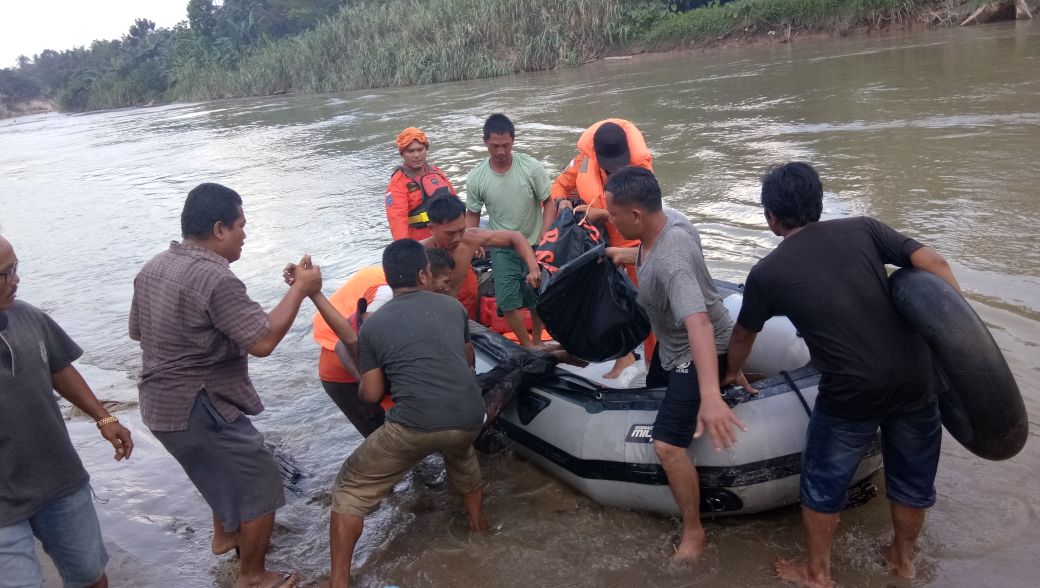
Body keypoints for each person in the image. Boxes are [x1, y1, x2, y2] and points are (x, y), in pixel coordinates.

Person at [721, 162, 958, 587]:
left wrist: (732, 371)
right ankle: (903, 561)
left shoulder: (767, 273)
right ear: (818, 202)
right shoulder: (864, 229)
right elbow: (935, 263)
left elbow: (742, 334)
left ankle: (817, 573)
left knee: (823, 481)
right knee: (912, 478)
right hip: (918, 377)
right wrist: (959, 341)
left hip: (851, 391)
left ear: (770, 216)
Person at [129, 183, 322, 588]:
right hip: (197, 407)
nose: (244, 235)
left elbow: (137, 332)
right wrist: (301, 290)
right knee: (261, 482)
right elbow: (263, 340)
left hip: (158, 406)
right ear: (219, 229)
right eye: (240, 226)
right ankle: (252, 575)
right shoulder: (216, 278)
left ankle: (226, 536)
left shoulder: (153, 268)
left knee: (221, 471)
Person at [602, 167, 748, 561]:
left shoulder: (673, 261)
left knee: (666, 444)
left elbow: (698, 322)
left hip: (697, 346)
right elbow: (653, 254)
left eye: (613, 215)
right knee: (652, 394)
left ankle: (694, 530)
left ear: (635, 215)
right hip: (671, 346)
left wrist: (711, 394)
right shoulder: (669, 223)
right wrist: (624, 253)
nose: (610, 221)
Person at [327, 239, 488, 588]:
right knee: (462, 458)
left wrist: (363, 381)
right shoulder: (453, 308)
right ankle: (480, 530)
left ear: (388, 279)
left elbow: (370, 395)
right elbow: (468, 361)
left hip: (415, 423)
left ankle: (338, 582)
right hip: (470, 416)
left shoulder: (372, 326)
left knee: (350, 488)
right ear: (423, 274)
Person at [0, 235, 134, 588]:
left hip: (58, 479)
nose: (16, 279)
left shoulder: (27, 317)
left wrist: (103, 417)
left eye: (15, 267)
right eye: (5, 272)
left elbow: (58, 366)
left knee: (90, 575)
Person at [301, 251, 455, 436]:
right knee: (385, 437)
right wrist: (367, 382)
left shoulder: (404, 277)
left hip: (362, 355)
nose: (447, 289)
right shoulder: (386, 299)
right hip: (341, 369)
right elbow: (348, 344)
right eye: (445, 282)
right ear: (424, 276)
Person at [550, 118, 654, 377]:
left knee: (646, 305)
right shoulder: (583, 162)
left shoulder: (642, 169)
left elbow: (645, 215)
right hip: (601, 245)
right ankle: (625, 355)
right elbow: (559, 185)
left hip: (635, 244)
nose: (618, 170)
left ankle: (653, 362)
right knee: (610, 304)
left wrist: (600, 213)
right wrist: (563, 202)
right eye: (611, 166)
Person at [465, 113, 553, 348]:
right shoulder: (477, 177)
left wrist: (546, 234)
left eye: (505, 145)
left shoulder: (531, 168)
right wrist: (475, 241)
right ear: (485, 142)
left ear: (513, 140)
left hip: (534, 242)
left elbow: (549, 202)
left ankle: (537, 340)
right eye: (495, 146)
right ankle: (526, 345)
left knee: (537, 297)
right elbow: (472, 213)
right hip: (501, 246)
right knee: (507, 299)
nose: (501, 151)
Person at [421, 194, 540, 320]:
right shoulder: (419, 252)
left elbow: (515, 237)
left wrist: (534, 268)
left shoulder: (470, 239)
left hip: (454, 311)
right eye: (450, 233)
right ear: (431, 228)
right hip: (425, 315)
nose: (457, 238)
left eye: (461, 230)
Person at [385, 127, 458, 241]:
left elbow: (456, 204)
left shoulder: (436, 172)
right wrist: (406, 249)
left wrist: (467, 235)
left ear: (426, 150)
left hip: (448, 237)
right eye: (410, 151)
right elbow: (397, 221)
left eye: (420, 149)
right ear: (402, 154)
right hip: (421, 242)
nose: (416, 155)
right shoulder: (398, 183)